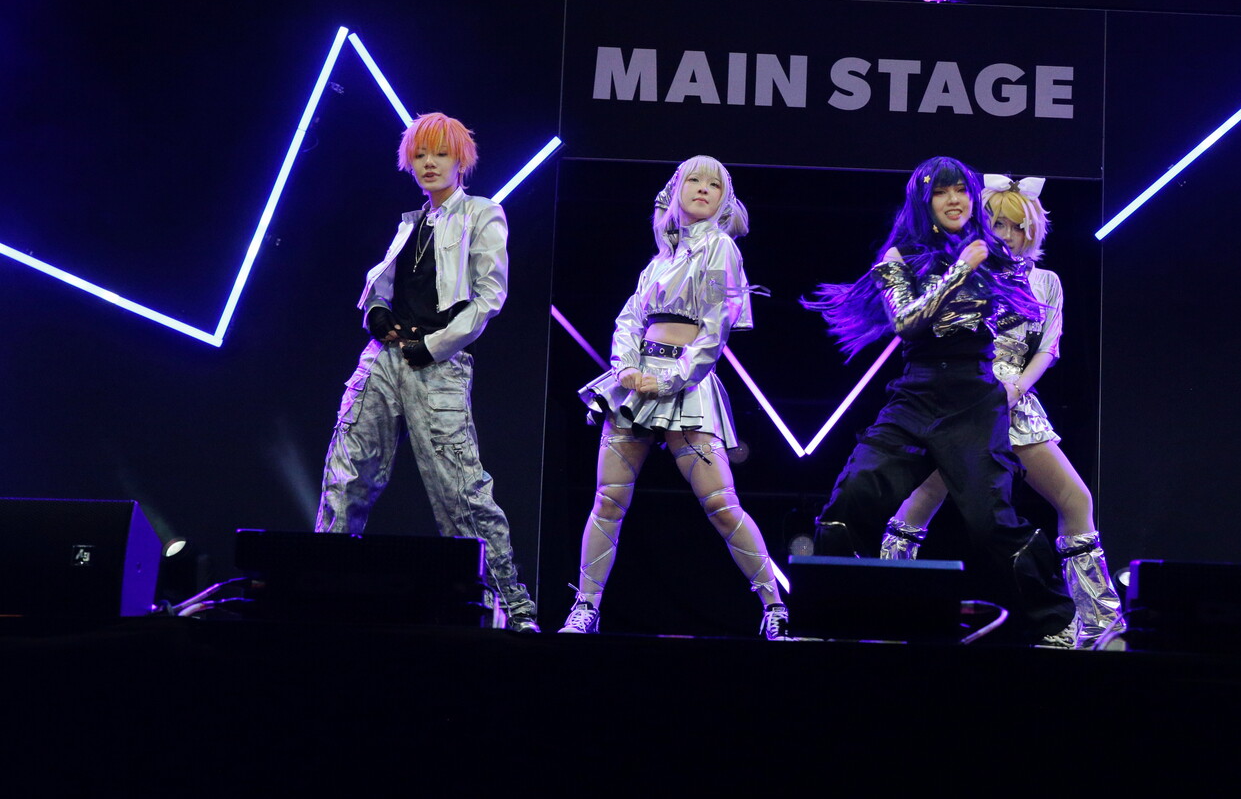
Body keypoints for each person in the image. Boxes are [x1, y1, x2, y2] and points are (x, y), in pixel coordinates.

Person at [804, 156, 1075, 645]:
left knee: (992, 523)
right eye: (942, 192)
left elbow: (1031, 312)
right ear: (924, 202)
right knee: (853, 498)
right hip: (917, 393)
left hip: (974, 397)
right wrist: (959, 269)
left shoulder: (993, 254)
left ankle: (1058, 624)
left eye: (962, 191)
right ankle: (830, 622)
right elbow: (907, 322)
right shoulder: (900, 257)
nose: (954, 200)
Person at [315, 112, 538, 631]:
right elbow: (381, 286)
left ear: (461, 159)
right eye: (420, 154)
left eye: (440, 153)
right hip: (382, 359)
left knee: (461, 492)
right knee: (346, 473)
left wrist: (433, 346)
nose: (429, 163)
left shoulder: (482, 213)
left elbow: (489, 296)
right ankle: (320, 590)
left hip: (437, 365)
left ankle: (511, 609)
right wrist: (376, 312)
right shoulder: (411, 222)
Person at [882, 175, 1124, 648]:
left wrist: (1016, 388)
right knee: (921, 502)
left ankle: (1097, 626)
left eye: (1018, 226)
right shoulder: (965, 269)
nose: (1009, 235)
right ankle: (890, 608)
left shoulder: (1046, 281)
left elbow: (1048, 347)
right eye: (998, 224)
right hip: (965, 396)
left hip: (1016, 399)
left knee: (1076, 500)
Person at [559, 156, 789, 640]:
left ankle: (773, 605)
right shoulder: (659, 261)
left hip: (687, 385)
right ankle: (585, 607)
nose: (703, 188)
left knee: (721, 503)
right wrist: (626, 367)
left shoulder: (720, 247)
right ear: (676, 189)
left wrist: (670, 380)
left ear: (724, 198)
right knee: (608, 501)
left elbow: (716, 326)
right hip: (636, 384)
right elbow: (628, 320)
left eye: (714, 184)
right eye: (694, 180)